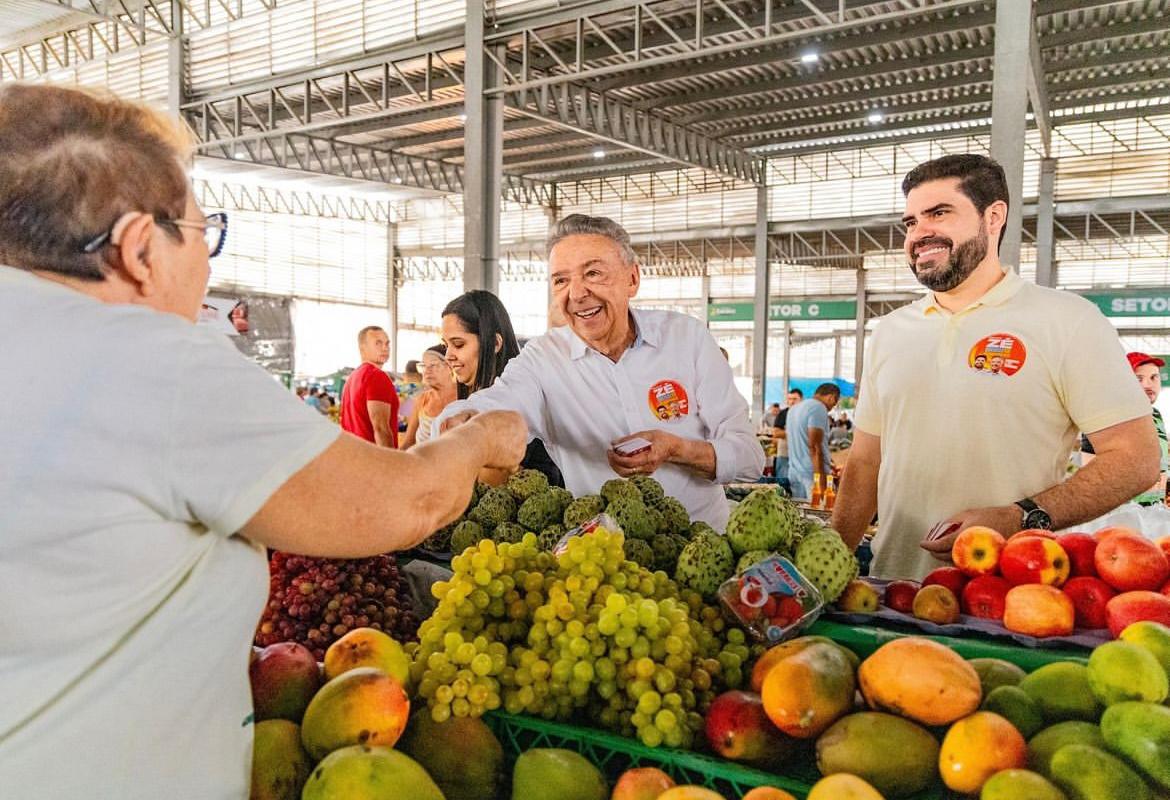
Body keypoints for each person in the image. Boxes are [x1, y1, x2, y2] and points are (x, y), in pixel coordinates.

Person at [0, 83, 528, 798]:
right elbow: (410, 500)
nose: (209, 265)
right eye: (200, 232)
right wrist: (480, 440)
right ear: (137, 250)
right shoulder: (146, 363)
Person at [831, 153, 1158, 580]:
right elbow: (865, 464)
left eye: (939, 213)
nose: (918, 233)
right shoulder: (891, 332)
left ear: (993, 216)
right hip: (890, 591)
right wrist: (825, 568)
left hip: (1013, 599)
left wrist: (1022, 517)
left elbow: (1137, 458)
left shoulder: (1067, 321)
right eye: (910, 222)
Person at [438, 215, 764, 530]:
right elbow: (497, 400)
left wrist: (678, 449)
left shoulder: (686, 338)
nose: (577, 293)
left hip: (704, 550)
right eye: (561, 280)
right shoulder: (543, 359)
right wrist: (460, 421)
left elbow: (749, 457)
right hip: (604, 562)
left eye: (592, 273)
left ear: (632, 279)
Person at [440, 290, 565, 487]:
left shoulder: (520, 400)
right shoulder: (471, 403)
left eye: (458, 344)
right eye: (446, 345)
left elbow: (492, 482)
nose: (448, 355)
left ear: (495, 343)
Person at [1082, 352, 1169, 505]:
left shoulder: (1155, 415)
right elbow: (1091, 471)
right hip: (1122, 511)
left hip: (1157, 509)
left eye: (1154, 377)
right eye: (1138, 378)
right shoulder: (1104, 416)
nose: (1148, 385)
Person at [340, 326, 399, 447]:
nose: (385, 348)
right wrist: (390, 463)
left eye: (387, 343)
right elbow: (381, 429)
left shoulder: (351, 378)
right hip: (373, 459)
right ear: (362, 348)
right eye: (378, 343)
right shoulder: (376, 376)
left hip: (355, 456)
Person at [786, 383, 841, 500]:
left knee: (799, 514)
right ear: (831, 397)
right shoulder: (818, 408)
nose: (832, 407)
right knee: (818, 514)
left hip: (794, 472)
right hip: (811, 475)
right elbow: (815, 447)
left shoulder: (794, 409)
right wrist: (820, 482)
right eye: (834, 403)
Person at [400, 344, 458, 449]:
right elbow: (408, 442)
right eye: (423, 366)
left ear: (450, 367)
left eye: (433, 365)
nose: (426, 371)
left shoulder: (465, 398)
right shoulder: (422, 400)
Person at [772, 387, 803, 489]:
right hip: (784, 454)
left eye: (795, 399)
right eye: (790, 399)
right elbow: (776, 433)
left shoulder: (805, 415)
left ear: (801, 399)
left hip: (801, 456)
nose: (792, 401)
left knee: (799, 486)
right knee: (782, 484)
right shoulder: (783, 413)